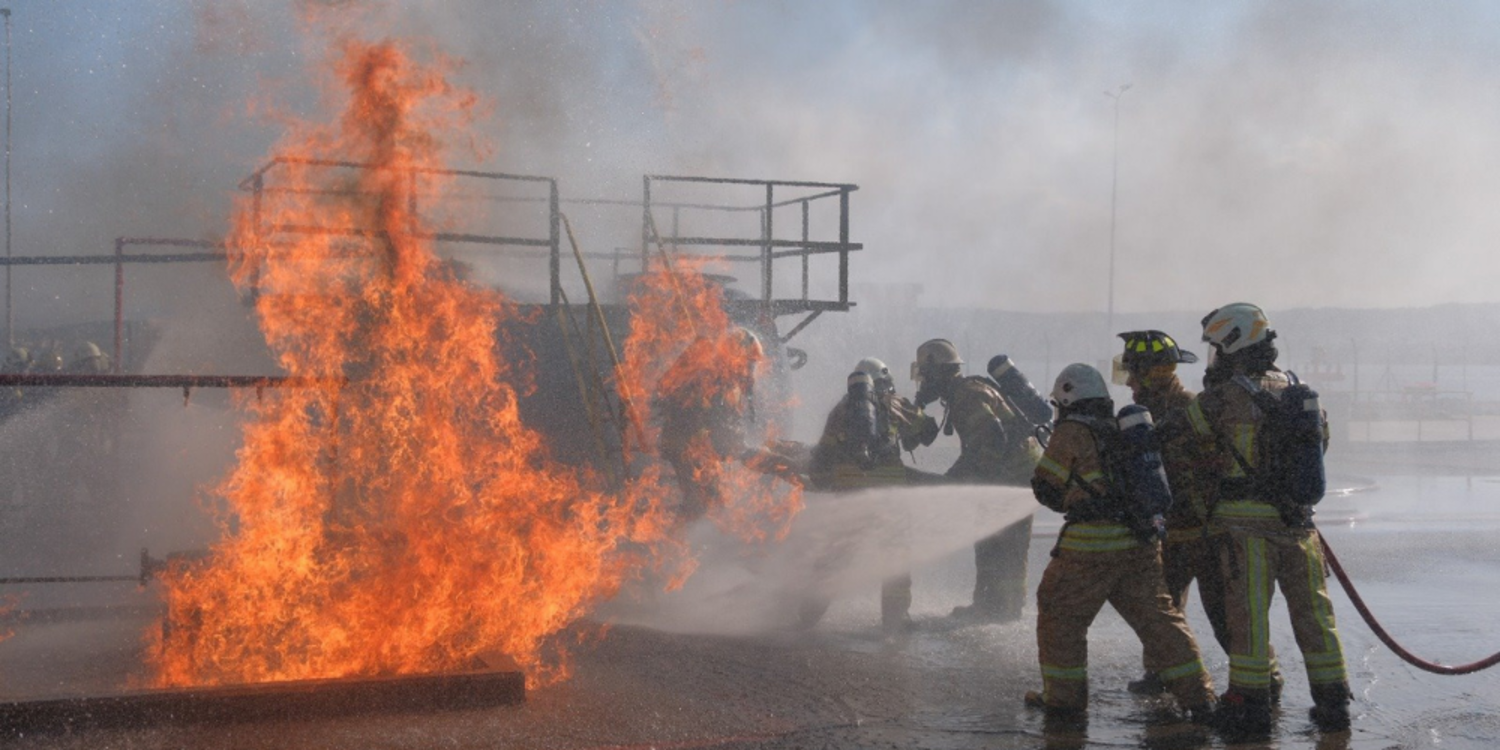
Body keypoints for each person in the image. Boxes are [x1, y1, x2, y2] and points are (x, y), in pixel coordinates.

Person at [1183, 303, 1349, 735]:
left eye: (1217, 349)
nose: (1214, 359)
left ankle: (1250, 705)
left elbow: (1187, 443)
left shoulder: (1219, 400)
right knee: (1315, 616)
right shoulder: (1301, 393)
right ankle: (1334, 704)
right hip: (1299, 527)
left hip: (1243, 528)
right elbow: (1319, 447)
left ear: (1234, 345)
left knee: (1249, 619)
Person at [1025, 363, 1216, 721]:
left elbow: (1046, 487)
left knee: (1060, 617)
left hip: (1087, 550)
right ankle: (1199, 697)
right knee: (1161, 624)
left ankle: (1063, 701)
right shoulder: (1124, 429)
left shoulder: (1071, 431)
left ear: (1067, 397)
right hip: (1139, 547)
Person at [1114, 330, 1284, 698]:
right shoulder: (1144, 413)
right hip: (1170, 532)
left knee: (1223, 614)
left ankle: (1266, 678)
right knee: (1162, 613)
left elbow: (1212, 467)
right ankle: (1159, 672)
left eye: (1134, 373)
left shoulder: (1188, 407)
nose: (1129, 382)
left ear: (1153, 372)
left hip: (1205, 530)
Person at [910, 338, 1040, 622]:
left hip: (1009, 477)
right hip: (1009, 474)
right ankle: (990, 606)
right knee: (990, 540)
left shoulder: (967, 396)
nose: (923, 383)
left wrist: (955, 481)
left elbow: (988, 443)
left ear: (938, 373)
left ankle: (1005, 609)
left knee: (1007, 545)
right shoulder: (965, 391)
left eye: (926, 375)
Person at [806, 357, 937, 633]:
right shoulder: (893, 404)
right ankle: (895, 620)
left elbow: (823, 456)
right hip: (889, 499)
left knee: (836, 557)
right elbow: (927, 432)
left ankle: (807, 616)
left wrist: (823, 481)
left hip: (850, 498)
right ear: (883, 382)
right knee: (896, 559)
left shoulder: (840, 411)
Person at [656, 327, 764, 524]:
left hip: (699, 448)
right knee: (698, 504)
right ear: (734, 358)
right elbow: (720, 432)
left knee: (713, 502)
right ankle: (673, 548)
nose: (750, 371)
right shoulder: (710, 378)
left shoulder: (728, 382)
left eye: (752, 365)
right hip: (686, 446)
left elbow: (729, 428)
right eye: (748, 363)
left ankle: (701, 546)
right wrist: (743, 451)